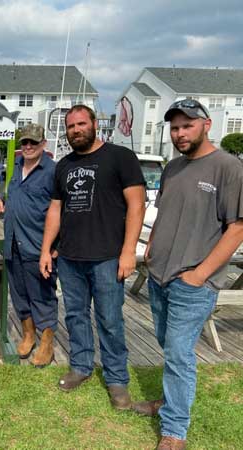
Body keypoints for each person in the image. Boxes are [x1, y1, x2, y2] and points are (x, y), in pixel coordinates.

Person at [132, 99, 243, 450]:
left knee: (179, 353)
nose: (179, 133)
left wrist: (201, 274)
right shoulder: (173, 167)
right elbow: (165, 210)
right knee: (169, 345)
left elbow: (237, 228)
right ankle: (169, 402)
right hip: (159, 275)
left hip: (192, 281)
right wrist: (150, 248)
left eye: (187, 126)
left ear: (206, 124)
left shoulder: (228, 167)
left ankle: (174, 431)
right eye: (175, 127)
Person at [40, 105, 146, 410]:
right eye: (71, 126)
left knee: (110, 320)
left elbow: (136, 206)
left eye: (81, 124)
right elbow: (56, 209)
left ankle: (116, 380)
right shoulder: (63, 165)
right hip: (71, 258)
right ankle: (82, 367)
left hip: (108, 257)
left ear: (95, 124)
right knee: (75, 316)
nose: (76, 130)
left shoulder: (120, 157)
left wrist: (129, 252)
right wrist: (47, 249)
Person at [0, 123, 58, 367]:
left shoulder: (52, 171)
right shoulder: (17, 166)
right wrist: (3, 201)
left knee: (42, 295)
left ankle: (47, 343)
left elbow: (62, 210)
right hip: (13, 244)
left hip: (38, 246)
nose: (28, 146)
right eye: (25, 143)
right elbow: (17, 197)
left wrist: (55, 248)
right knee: (20, 294)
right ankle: (28, 334)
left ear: (43, 144)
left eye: (33, 142)